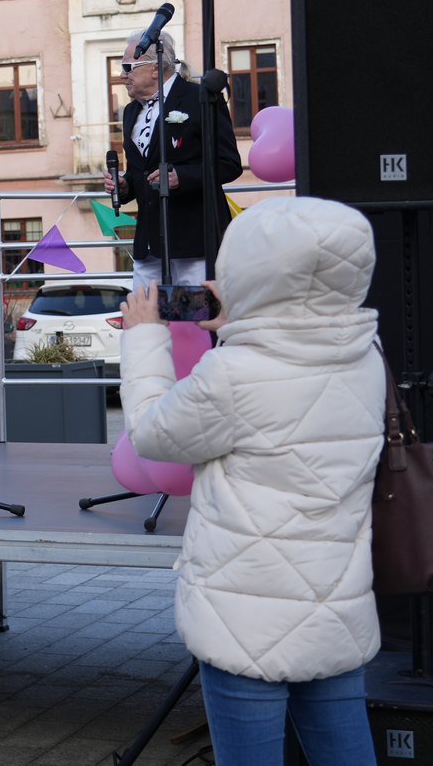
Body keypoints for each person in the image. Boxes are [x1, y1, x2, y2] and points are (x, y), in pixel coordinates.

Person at [119, 195, 385, 765]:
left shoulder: (235, 374)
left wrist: (143, 337)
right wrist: (242, 319)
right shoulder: (367, 357)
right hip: (334, 600)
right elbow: (299, 344)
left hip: (246, 613)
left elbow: (152, 433)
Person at [103, 29, 241, 289]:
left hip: (194, 241)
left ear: (155, 68)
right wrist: (124, 185)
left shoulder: (200, 98)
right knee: (143, 320)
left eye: (127, 67)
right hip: (149, 243)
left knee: (198, 321)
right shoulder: (131, 111)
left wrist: (182, 177)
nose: (122, 75)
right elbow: (138, 172)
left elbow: (229, 164)